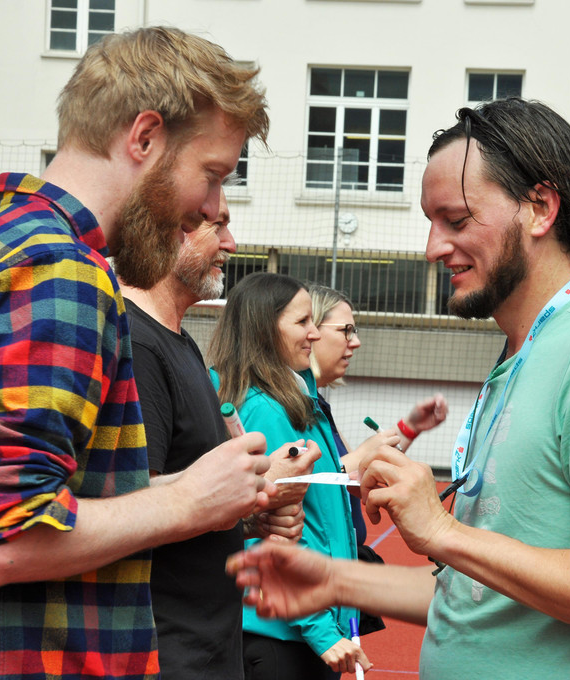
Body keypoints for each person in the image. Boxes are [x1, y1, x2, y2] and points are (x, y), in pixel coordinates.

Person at [0, 27, 271, 680]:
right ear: (144, 137)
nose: (210, 209)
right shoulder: (60, 270)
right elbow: (4, 541)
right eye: (212, 175)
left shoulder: (8, 241)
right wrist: (188, 501)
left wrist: (205, 494)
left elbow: (40, 499)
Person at [227, 98, 570, 679]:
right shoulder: (519, 359)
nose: (432, 248)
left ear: (540, 209)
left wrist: (443, 532)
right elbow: (480, 601)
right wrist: (332, 579)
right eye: (431, 222)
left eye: (457, 220)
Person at [119, 191, 315, 679]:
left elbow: (187, 502)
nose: (231, 242)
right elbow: (129, 507)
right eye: (217, 224)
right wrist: (255, 490)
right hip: (169, 652)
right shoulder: (137, 343)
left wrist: (250, 514)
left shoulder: (179, 341)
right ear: (172, 231)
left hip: (208, 647)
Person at [210, 272, 374, 680]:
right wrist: (322, 631)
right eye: (303, 322)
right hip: (286, 636)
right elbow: (276, 535)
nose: (314, 334)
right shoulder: (268, 410)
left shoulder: (293, 398)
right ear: (266, 328)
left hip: (292, 630)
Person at [307, 283, 448, 547]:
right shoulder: (283, 406)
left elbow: (354, 477)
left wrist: (410, 427)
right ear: (310, 331)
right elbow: (299, 485)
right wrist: (363, 453)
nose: (356, 342)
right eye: (346, 331)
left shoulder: (318, 404)